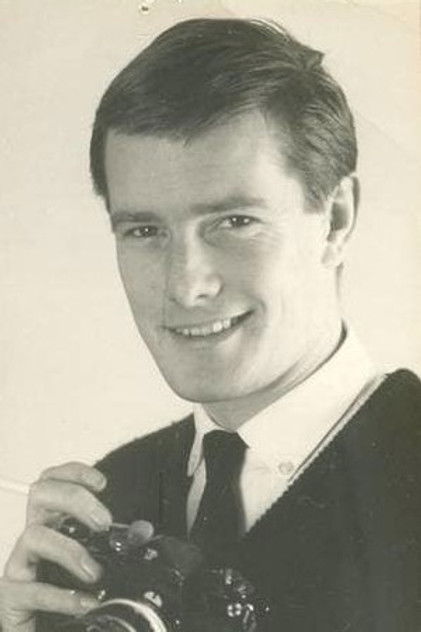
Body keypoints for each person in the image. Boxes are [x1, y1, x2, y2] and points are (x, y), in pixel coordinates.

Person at [0, 17, 420, 632]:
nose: (185, 284)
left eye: (235, 222)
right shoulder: (111, 497)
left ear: (335, 219)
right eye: (145, 230)